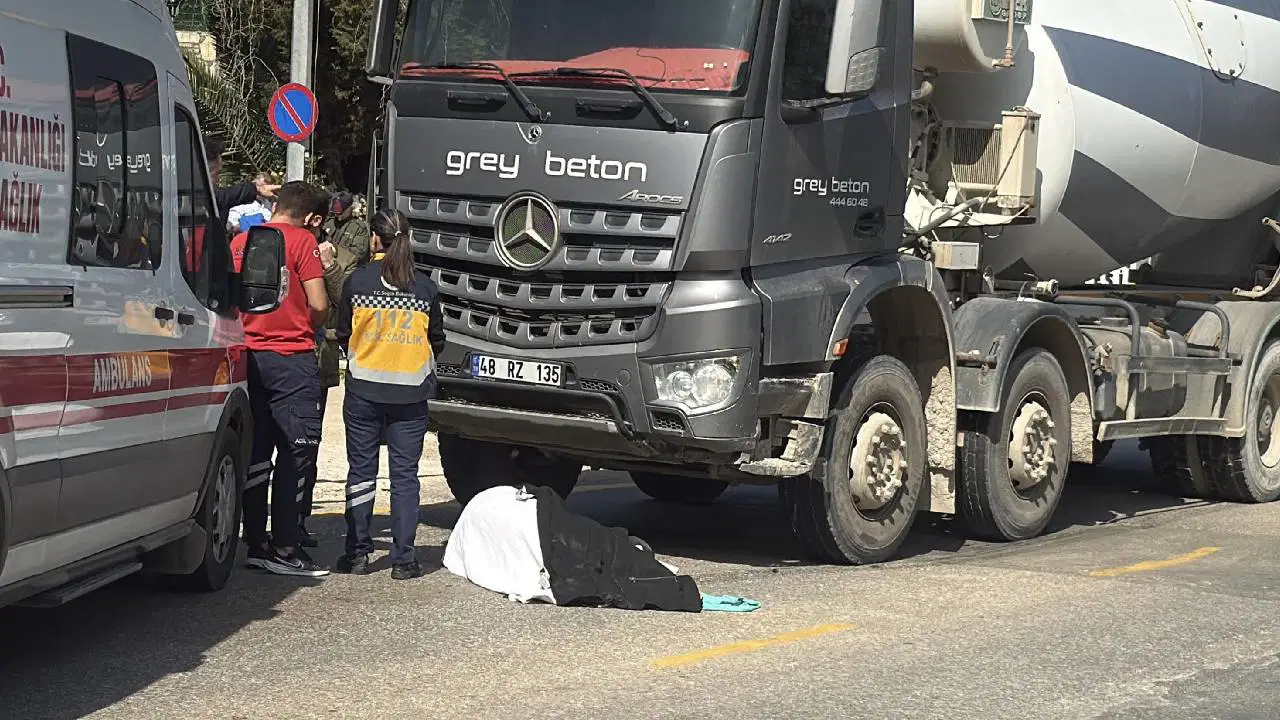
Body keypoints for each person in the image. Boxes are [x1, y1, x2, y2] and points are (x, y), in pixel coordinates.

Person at [334, 208, 445, 580]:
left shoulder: (358, 282)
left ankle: (358, 554)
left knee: (362, 473)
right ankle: (404, 560)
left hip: (364, 392)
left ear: (374, 239)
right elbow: (437, 340)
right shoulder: (424, 287)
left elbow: (343, 332)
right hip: (410, 396)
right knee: (405, 478)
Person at [229, 181, 333, 577]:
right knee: (296, 449)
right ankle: (286, 546)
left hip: (247, 356)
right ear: (313, 218)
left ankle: (255, 541)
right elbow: (319, 304)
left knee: (257, 451)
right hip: (291, 357)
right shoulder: (303, 241)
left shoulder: (241, 241)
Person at [292, 192, 372, 547]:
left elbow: (347, 302)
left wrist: (330, 267)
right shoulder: (270, 245)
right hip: (276, 352)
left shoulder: (340, 255)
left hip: (317, 357)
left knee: (306, 444)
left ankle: (297, 521)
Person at [204, 136, 280, 224]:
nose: (218, 179)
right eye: (216, 174)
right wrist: (255, 189)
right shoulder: (202, 199)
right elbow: (221, 197)